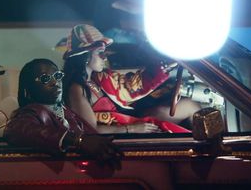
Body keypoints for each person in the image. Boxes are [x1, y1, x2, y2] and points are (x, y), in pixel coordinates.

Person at [62, 24, 197, 134]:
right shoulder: (76, 89)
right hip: (121, 137)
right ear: (84, 57)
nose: (105, 57)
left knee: (190, 105)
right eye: (100, 53)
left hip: (129, 124)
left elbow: (129, 85)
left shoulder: (98, 78)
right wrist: (132, 129)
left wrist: (166, 66)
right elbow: (90, 131)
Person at [3, 58, 122, 166]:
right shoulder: (33, 111)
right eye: (46, 78)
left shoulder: (64, 110)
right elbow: (14, 130)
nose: (55, 82)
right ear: (28, 89)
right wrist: (77, 141)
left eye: (58, 75)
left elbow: (91, 136)